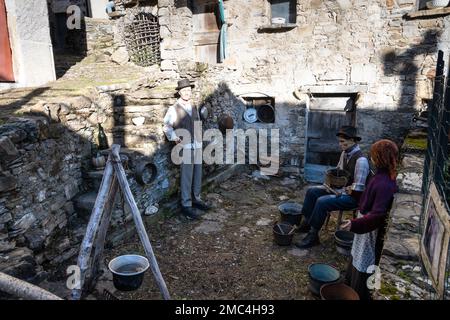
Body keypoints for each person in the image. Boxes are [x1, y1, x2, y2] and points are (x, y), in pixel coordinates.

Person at [340, 139, 399, 300]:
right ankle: (350, 285)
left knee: (363, 263)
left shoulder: (384, 184)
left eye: (373, 155)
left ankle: (358, 293)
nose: (370, 158)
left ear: (379, 158)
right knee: (356, 255)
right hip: (364, 223)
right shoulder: (380, 177)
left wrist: (354, 223)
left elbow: (377, 215)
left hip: (369, 229)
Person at [295, 126, 370, 249]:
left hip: (353, 197)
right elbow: (338, 172)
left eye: (342, 141)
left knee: (322, 202)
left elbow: (359, 188)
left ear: (352, 140)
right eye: (339, 141)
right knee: (312, 191)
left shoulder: (361, 161)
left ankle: (313, 236)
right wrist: (331, 182)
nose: (340, 144)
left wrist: (341, 191)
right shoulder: (344, 154)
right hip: (341, 190)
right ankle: (307, 223)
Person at [163, 79, 210, 220]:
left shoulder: (193, 106)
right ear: (179, 92)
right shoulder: (173, 109)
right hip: (186, 147)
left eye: (189, 90)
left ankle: (196, 199)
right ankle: (186, 204)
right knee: (186, 176)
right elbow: (166, 126)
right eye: (184, 91)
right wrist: (174, 137)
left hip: (197, 145)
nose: (187, 93)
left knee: (197, 174)